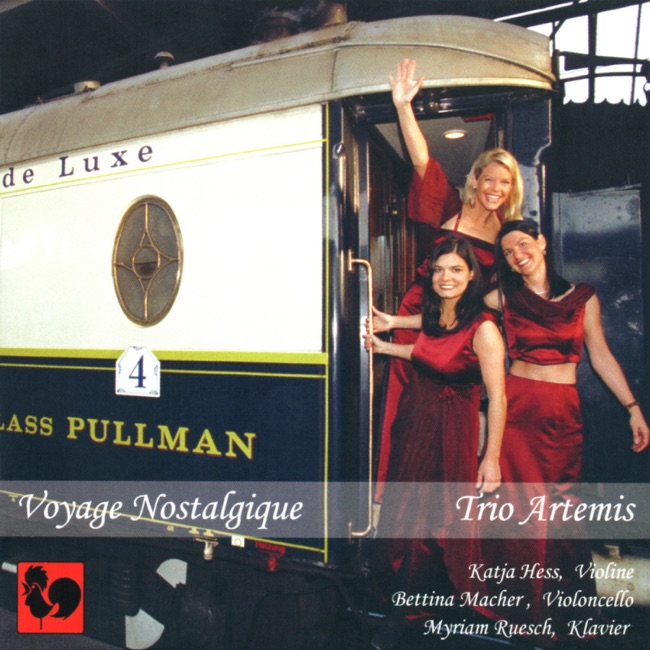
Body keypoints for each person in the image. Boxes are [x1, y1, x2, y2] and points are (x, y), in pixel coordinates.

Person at [480, 219, 650, 644]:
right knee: (521, 509)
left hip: (561, 413)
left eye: (523, 244)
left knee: (561, 510)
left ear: (541, 242)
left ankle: (565, 610)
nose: (518, 255)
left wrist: (632, 408)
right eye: (508, 252)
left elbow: (601, 355)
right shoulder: (502, 298)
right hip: (518, 411)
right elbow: (452, 311)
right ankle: (521, 611)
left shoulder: (583, 298)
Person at [376, 58, 523, 499]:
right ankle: (393, 493)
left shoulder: (507, 234)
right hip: (419, 311)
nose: (495, 188)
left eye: (505, 182)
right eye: (489, 178)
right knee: (406, 408)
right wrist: (403, 107)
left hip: (460, 326)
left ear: (511, 188)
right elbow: (422, 161)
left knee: (453, 414)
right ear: (475, 180)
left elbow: (507, 289)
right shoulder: (450, 208)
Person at [366, 237, 506, 648]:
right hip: (415, 419)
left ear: (471, 275)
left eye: (456, 270)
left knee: (434, 516)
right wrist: (386, 335)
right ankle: (400, 598)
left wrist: (491, 458)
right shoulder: (436, 312)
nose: (447, 277)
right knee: (404, 508)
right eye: (440, 269)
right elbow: (428, 348)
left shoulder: (484, 327)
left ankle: (417, 612)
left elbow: (499, 397)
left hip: (451, 429)